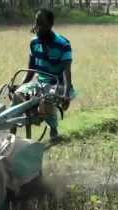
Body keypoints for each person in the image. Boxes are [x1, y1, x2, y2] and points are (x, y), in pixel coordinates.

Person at [14, 8, 75, 141]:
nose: (38, 27)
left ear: (50, 25)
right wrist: (20, 85)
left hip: (58, 84)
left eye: (41, 23)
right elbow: (31, 69)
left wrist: (66, 94)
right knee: (17, 95)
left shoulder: (63, 44)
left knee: (46, 98)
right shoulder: (34, 43)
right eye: (37, 23)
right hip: (39, 83)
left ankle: (54, 131)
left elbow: (66, 71)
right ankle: (11, 136)